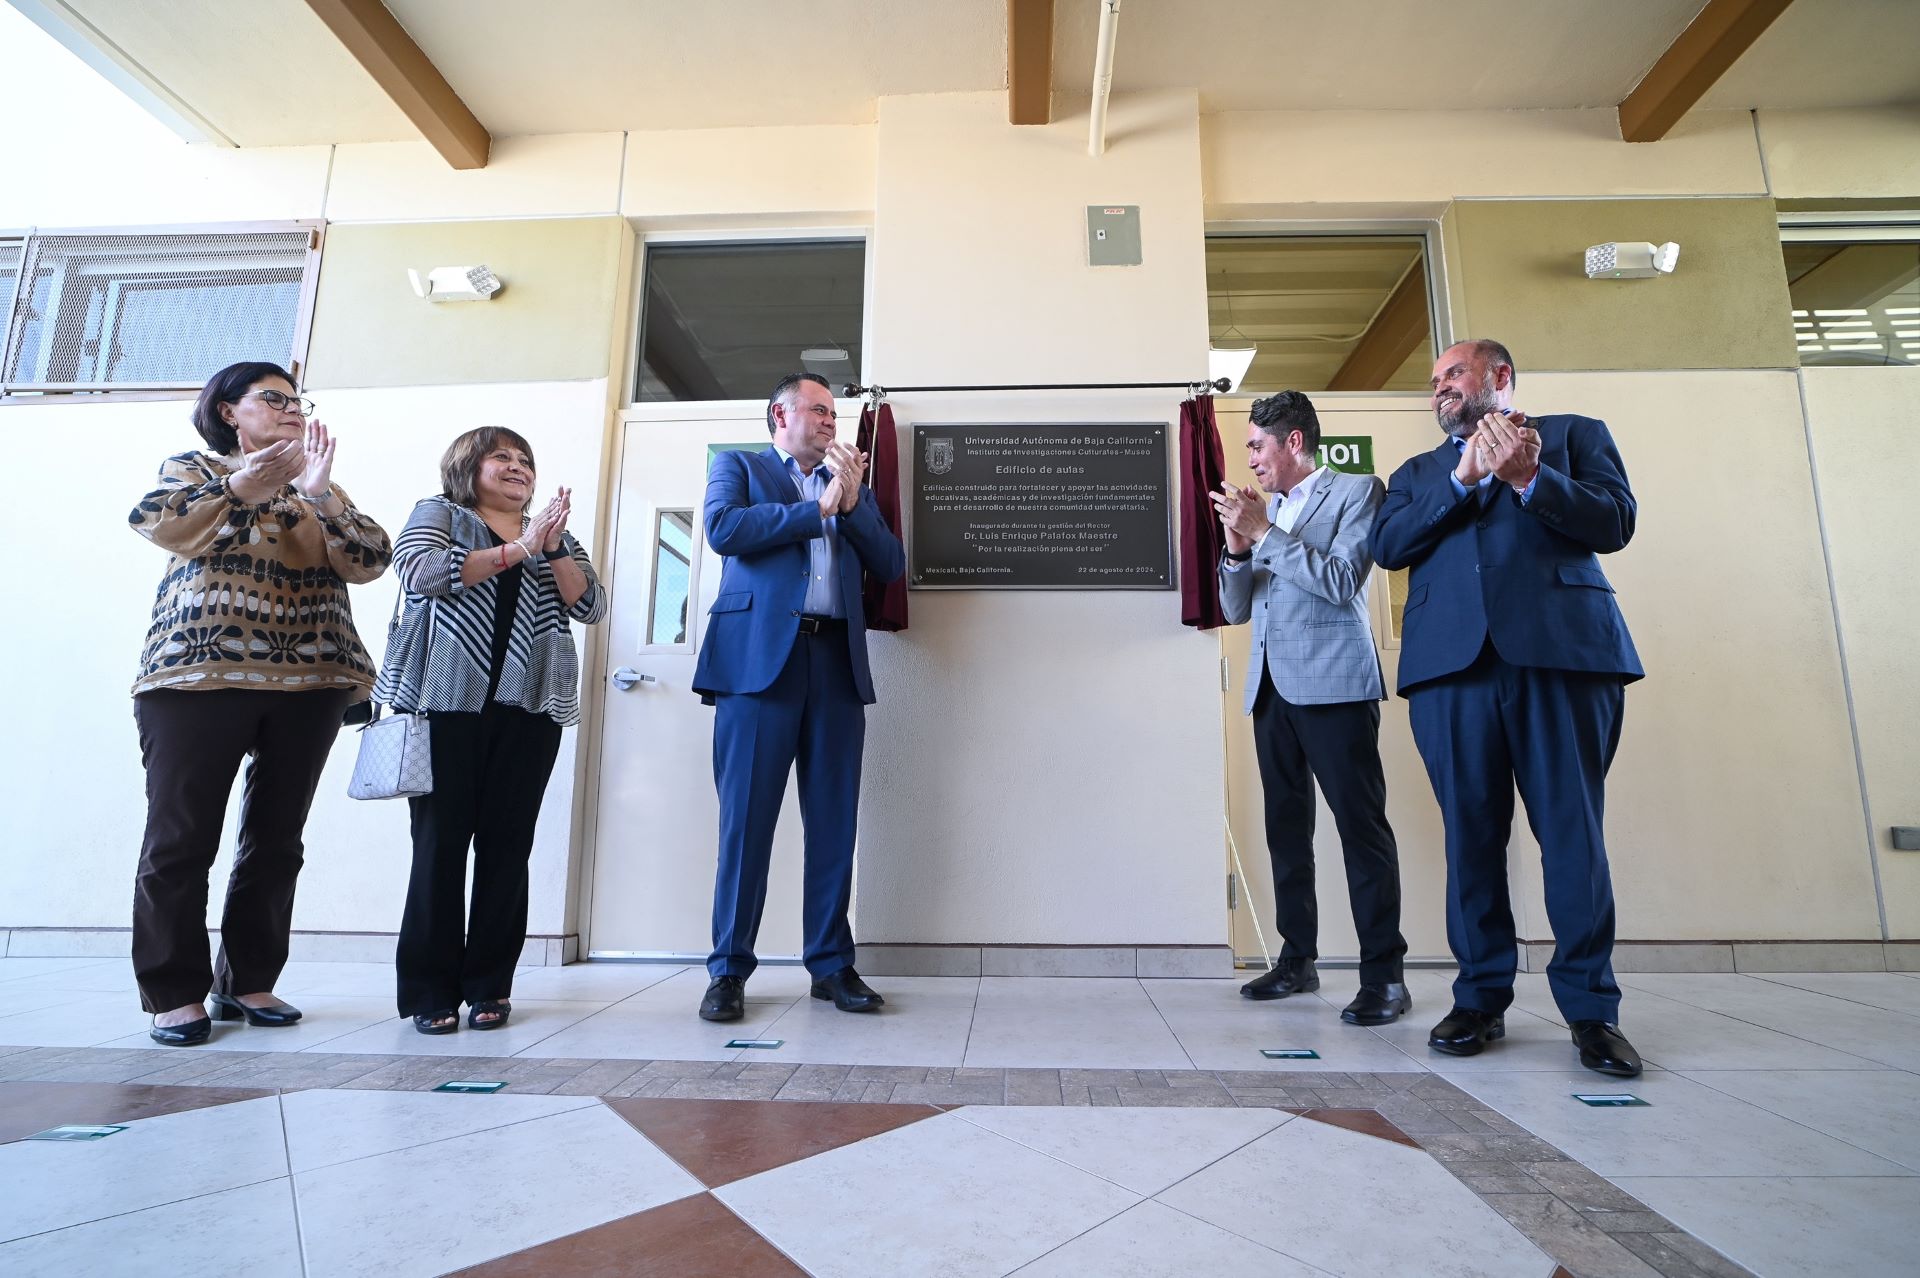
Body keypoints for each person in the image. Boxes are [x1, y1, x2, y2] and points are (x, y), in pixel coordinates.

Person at [1369, 339, 1645, 1077]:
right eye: (1433, 382)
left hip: (1564, 660)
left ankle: (1592, 1012)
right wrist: (1461, 483)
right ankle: (1480, 998)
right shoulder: (1417, 473)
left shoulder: (1574, 435)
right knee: (1471, 839)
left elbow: (1615, 523)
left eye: (1452, 375)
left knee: (1574, 838)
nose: (1440, 390)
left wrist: (1531, 479)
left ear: (1499, 378)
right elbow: (1388, 545)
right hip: (1451, 673)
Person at [130, 361, 391, 1046]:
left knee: (276, 840)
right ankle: (173, 991)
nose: (291, 411)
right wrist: (248, 483)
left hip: (311, 679)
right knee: (181, 840)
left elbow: (370, 559)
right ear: (227, 411)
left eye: (297, 401)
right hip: (198, 673)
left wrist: (323, 496)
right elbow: (160, 523)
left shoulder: (317, 489)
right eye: (272, 400)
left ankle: (248, 980)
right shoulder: (195, 468)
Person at [377, 428, 606, 1035]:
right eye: (501, 456)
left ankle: (489, 988)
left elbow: (589, 606)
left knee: (508, 849)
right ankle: (430, 992)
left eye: (525, 459)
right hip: (445, 703)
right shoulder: (441, 515)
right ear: (466, 466)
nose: (517, 467)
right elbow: (420, 572)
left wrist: (549, 547)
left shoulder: (557, 537)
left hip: (529, 709)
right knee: (439, 847)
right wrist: (517, 549)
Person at [693, 373, 905, 1022]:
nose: (828, 421)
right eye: (815, 410)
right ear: (777, 418)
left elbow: (891, 564)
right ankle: (729, 971)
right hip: (757, 669)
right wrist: (816, 507)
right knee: (746, 826)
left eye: (832, 413)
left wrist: (854, 498)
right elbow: (725, 530)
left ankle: (832, 965)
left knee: (835, 825)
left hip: (835, 664)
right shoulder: (740, 467)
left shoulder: (849, 485)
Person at [1211, 391, 1410, 1026]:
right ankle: (1298, 959)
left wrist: (1264, 532)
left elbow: (1342, 580)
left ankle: (1384, 977)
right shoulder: (1265, 511)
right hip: (1271, 691)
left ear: (1294, 442)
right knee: (1286, 833)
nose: (1250, 457)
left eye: (1257, 445)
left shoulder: (1358, 492)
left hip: (1336, 689)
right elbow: (1236, 610)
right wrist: (1237, 548)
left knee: (1361, 831)